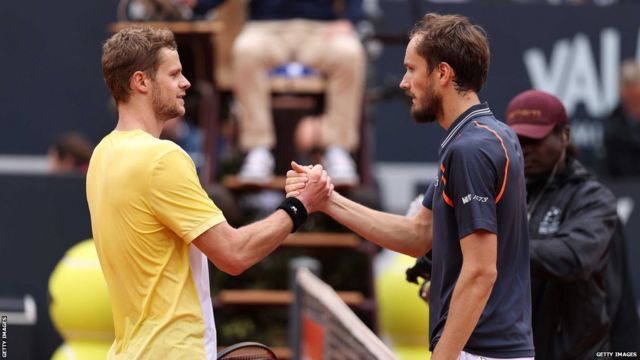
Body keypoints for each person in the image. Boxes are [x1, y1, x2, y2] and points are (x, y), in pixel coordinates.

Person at [287, 13, 534, 359]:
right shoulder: (485, 136)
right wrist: (327, 200)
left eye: (412, 69)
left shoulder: (470, 149)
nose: (403, 82)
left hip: (481, 352)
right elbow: (417, 234)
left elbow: (480, 272)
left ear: (443, 74)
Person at [86, 26, 332, 359]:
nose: (186, 83)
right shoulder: (162, 158)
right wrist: (300, 205)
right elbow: (234, 254)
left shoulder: (102, 155)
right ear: (141, 82)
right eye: (174, 74)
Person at [505, 89, 640, 358]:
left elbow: (575, 257)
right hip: (513, 351)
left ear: (564, 136)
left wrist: (494, 249)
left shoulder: (592, 198)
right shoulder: (503, 194)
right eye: (517, 139)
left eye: (534, 139)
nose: (524, 149)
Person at [181, 0, 366, 185]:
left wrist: (350, 19)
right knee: (246, 50)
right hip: (266, 28)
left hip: (320, 29)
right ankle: (257, 149)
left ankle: (338, 148)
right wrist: (199, 4)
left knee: (349, 52)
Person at [600, 59, 640, 177]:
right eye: (630, 101)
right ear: (621, 94)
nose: (635, 108)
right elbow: (606, 172)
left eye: (638, 100)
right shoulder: (612, 128)